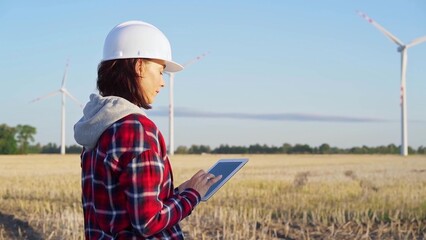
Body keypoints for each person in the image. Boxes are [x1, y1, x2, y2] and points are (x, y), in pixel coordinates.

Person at [74, 20, 222, 239]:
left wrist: (179, 192)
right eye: (161, 71)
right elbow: (148, 222)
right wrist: (193, 195)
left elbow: (122, 205)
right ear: (139, 66)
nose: (163, 83)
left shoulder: (98, 125)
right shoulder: (136, 130)